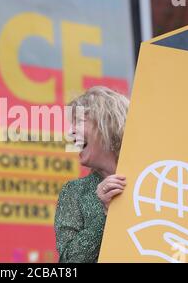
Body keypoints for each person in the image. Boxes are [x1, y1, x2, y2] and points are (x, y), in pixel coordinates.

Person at [54, 86, 129, 263]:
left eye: (79, 122)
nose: (70, 133)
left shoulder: (150, 178)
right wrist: (103, 214)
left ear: (109, 123)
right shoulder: (74, 192)